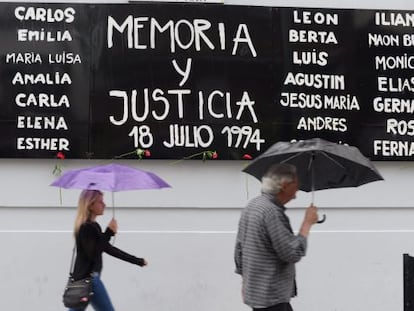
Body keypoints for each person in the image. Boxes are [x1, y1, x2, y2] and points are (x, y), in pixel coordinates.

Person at [234, 163, 319, 311]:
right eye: (296, 184)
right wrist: (307, 223)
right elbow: (292, 253)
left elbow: (239, 250)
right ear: (284, 185)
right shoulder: (272, 212)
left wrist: (245, 282)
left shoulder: (252, 206)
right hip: (272, 298)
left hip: (257, 295)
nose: (298, 189)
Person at [68, 189, 147, 311]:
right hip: (89, 280)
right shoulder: (86, 228)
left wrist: (137, 261)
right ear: (90, 205)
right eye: (100, 202)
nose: (104, 205)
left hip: (85, 280)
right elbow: (93, 253)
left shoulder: (93, 226)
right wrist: (109, 232)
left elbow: (108, 249)